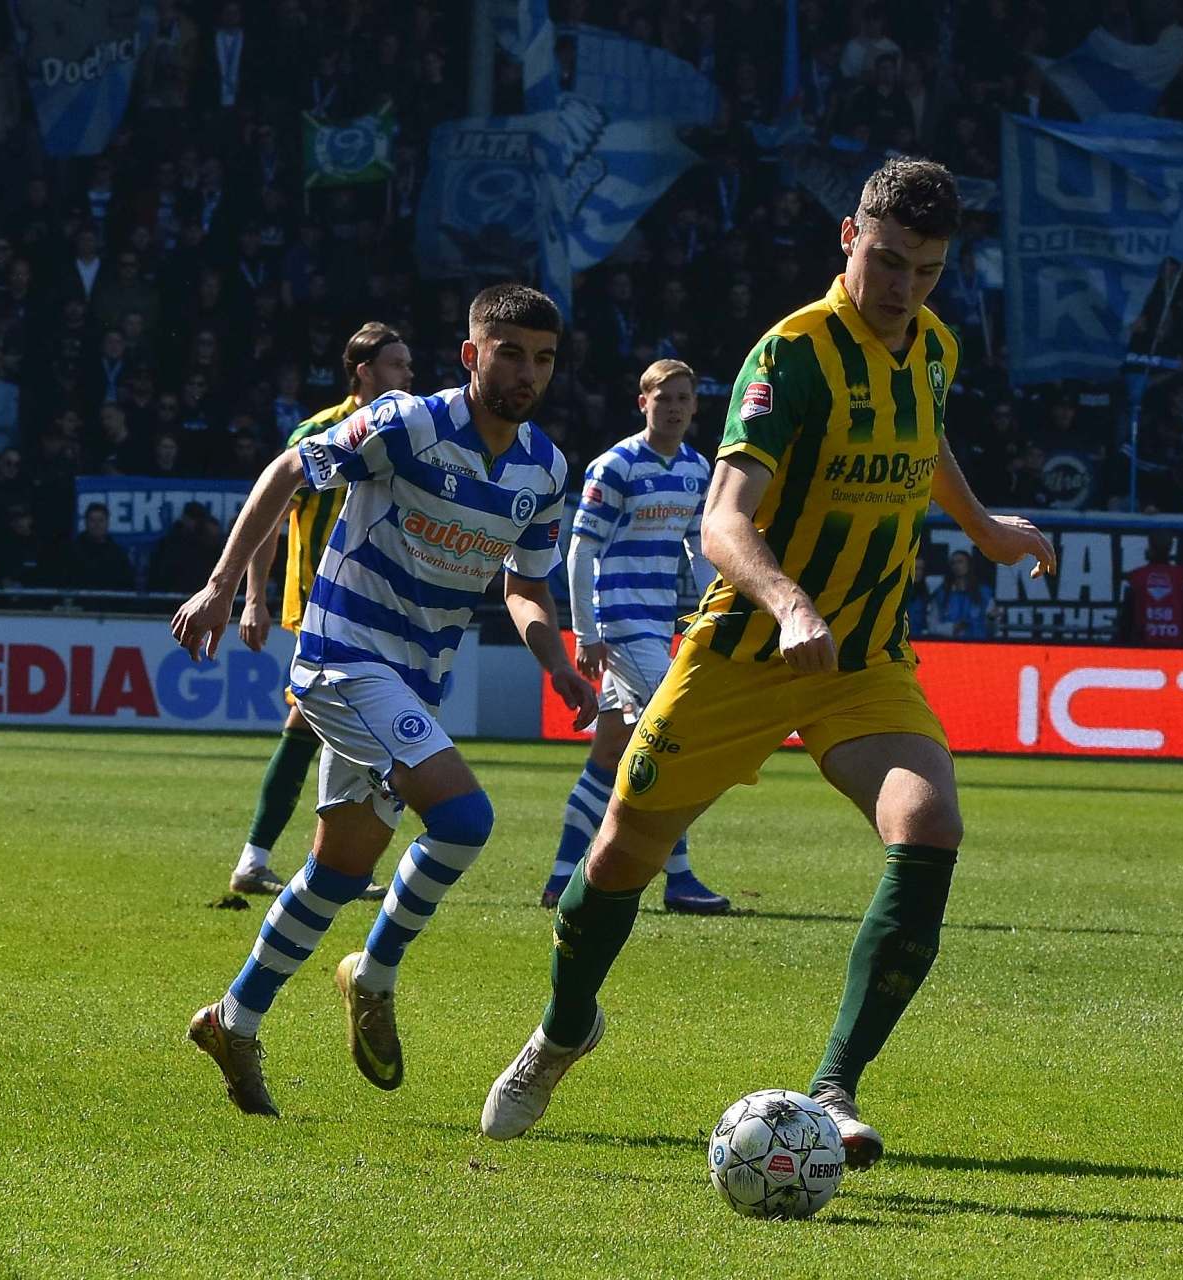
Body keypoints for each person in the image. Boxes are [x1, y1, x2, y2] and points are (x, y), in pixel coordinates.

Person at [479, 160, 1056, 1165]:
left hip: (865, 655)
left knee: (929, 820)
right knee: (618, 853)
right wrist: (789, 600)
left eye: (924, 270)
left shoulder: (934, 348)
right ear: (848, 239)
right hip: (746, 650)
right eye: (884, 261)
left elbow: (924, 442)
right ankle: (565, 1026)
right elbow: (723, 520)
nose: (901, 288)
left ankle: (834, 1085)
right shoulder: (790, 356)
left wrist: (985, 526)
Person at [172, 285, 597, 1116]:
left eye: (542, 358)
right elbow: (291, 468)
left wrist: (559, 662)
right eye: (508, 352)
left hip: (415, 679)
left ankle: (233, 1018)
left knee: (337, 869)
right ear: (473, 355)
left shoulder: (544, 469)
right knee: (467, 821)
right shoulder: (409, 423)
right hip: (343, 656)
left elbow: (527, 587)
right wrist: (225, 585)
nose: (526, 372)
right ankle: (373, 972)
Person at [225, 322, 414, 898]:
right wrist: (252, 598)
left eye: (408, 365)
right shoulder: (319, 433)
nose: (408, 376)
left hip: (378, 604)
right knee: (346, 728)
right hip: (323, 603)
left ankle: (291, 862)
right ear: (363, 373)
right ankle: (319, 865)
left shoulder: (406, 434)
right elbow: (270, 519)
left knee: (325, 729)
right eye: (397, 366)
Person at [542, 358, 728, 915]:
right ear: (642, 402)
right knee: (674, 744)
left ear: (695, 406)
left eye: (682, 399)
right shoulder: (615, 465)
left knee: (609, 755)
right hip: (621, 626)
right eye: (663, 397)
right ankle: (679, 877)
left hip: (658, 623)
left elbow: (698, 550)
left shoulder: (697, 470)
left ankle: (559, 877)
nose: (673, 408)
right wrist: (587, 632)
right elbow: (580, 551)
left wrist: (710, 610)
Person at [1116, 532, 1183, 646]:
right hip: (1177, 648)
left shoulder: (1136, 577)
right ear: (1170, 549)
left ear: (1150, 548)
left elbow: (1126, 622)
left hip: (1143, 648)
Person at [925, 549, 995, 638]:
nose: (956, 566)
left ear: (969, 564)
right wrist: (953, 627)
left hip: (977, 646)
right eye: (953, 563)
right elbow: (932, 627)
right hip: (950, 646)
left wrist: (992, 619)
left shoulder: (984, 593)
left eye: (960, 562)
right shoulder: (941, 594)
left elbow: (993, 630)